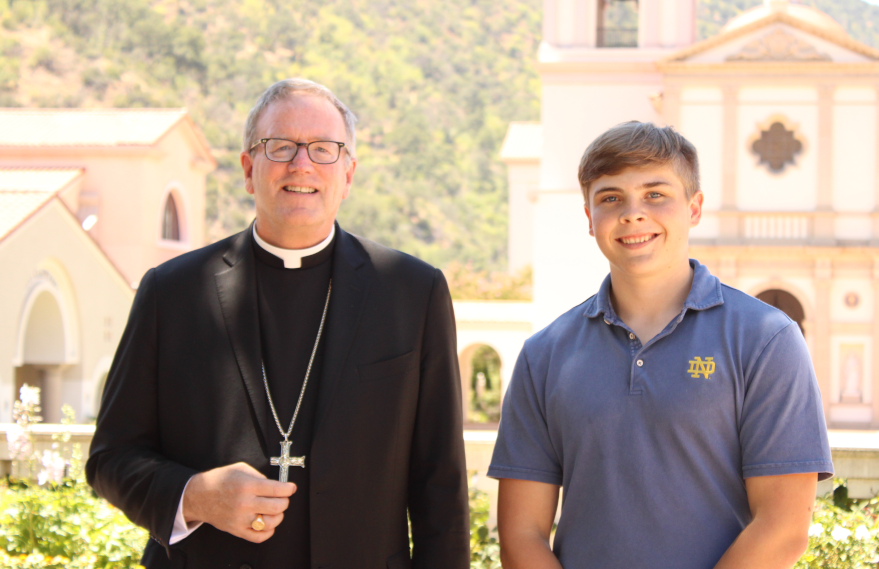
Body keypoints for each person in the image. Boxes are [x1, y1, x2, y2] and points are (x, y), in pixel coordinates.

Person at [87, 78, 470, 569]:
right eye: (280, 146)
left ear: (348, 174)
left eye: (324, 149)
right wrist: (196, 496)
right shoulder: (172, 292)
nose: (302, 164)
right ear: (250, 169)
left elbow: (441, 481)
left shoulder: (412, 292)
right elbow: (111, 457)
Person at [488, 121, 833, 569]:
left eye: (655, 194)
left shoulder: (767, 339)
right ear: (590, 219)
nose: (633, 213)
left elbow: (783, 529)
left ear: (694, 208)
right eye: (611, 198)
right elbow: (521, 533)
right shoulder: (544, 354)